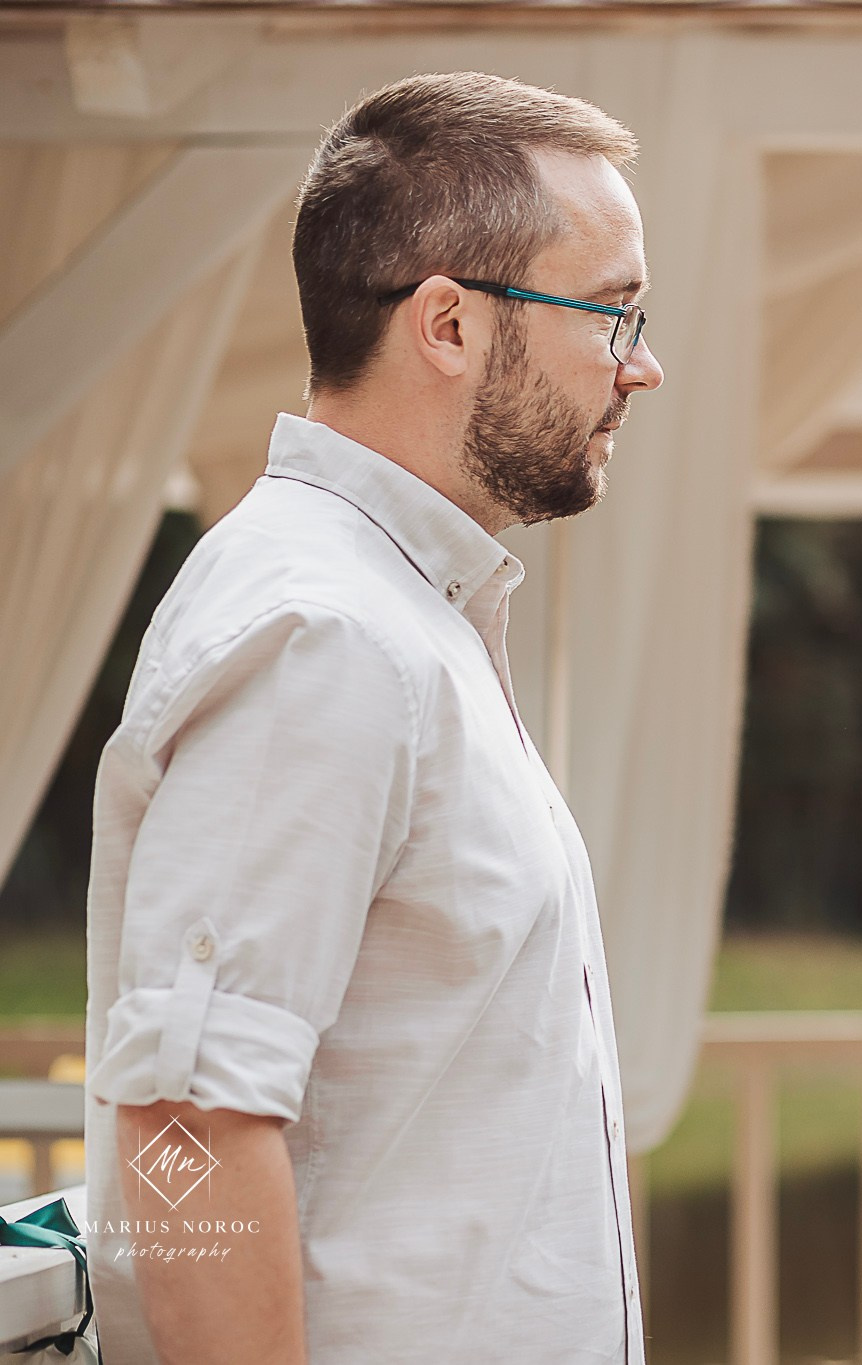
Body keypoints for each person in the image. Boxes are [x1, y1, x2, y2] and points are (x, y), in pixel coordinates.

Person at [83, 72, 663, 1363]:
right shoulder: (324, 632)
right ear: (448, 325)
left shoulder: (401, 615)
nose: (645, 366)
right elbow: (186, 1122)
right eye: (613, 315)